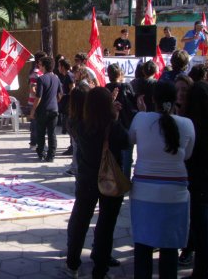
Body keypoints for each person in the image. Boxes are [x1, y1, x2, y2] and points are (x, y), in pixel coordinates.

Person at [129, 81, 195, 279]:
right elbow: (187, 155)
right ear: (175, 99)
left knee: (143, 247)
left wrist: (142, 112)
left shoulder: (140, 119)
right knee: (169, 250)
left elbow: (130, 139)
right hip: (175, 195)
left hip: (143, 194)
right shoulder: (187, 124)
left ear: (152, 99)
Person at [63, 87, 129, 279]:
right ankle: (100, 270)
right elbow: (126, 142)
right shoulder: (113, 127)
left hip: (86, 180)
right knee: (106, 225)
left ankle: (72, 263)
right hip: (109, 181)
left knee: (80, 222)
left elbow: (73, 120)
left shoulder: (78, 124)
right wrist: (115, 117)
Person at [183, 81, 208, 279]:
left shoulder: (191, 126)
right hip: (200, 182)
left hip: (198, 182)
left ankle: (200, 271)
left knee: (201, 229)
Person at [106, 63, 137, 178]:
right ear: (120, 74)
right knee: (127, 156)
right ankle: (125, 180)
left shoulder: (106, 88)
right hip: (126, 124)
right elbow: (133, 103)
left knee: (113, 154)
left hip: (112, 125)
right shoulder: (125, 87)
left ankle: (113, 178)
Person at [30, 56, 62, 163]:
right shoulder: (57, 78)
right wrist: (55, 102)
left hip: (43, 110)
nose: (39, 66)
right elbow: (60, 95)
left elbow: (38, 97)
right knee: (52, 133)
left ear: (44, 66)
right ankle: (51, 156)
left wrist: (33, 110)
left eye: (40, 64)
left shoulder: (41, 79)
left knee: (41, 132)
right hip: (54, 109)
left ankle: (41, 153)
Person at [27, 52, 46, 150]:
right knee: (35, 123)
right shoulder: (36, 73)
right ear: (39, 61)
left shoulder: (40, 72)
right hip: (35, 102)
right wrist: (41, 97)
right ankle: (33, 143)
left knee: (38, 123)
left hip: (38, 101)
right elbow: (32, 89)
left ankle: (37, 142)